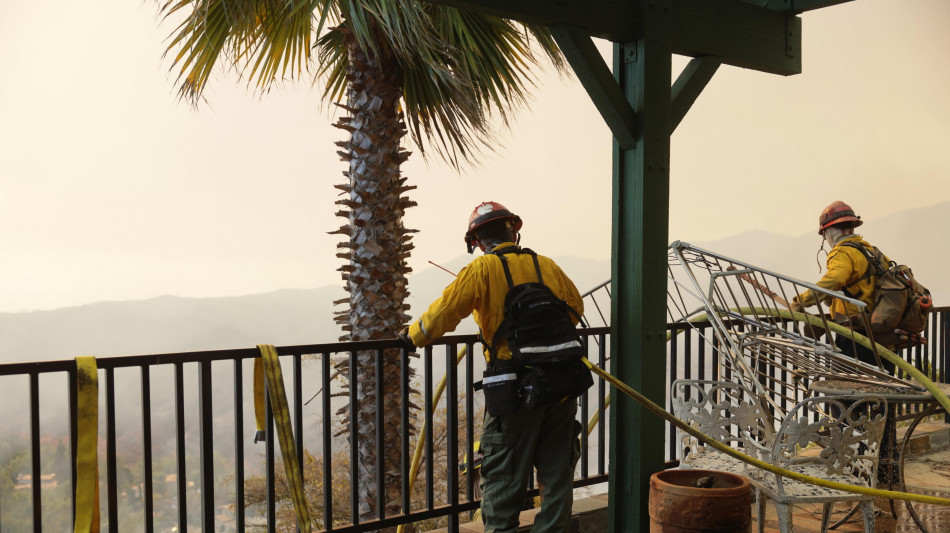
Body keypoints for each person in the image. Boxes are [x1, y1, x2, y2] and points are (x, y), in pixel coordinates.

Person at [398, 201, 584, 533]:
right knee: (557, 476)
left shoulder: (482, 270)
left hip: (514, 390)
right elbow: (575, 309)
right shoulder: (547, 266)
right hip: (560, 382)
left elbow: (444, 314)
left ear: (478, 242)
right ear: (514, 229)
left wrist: (412, 336)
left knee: (502, 479)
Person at [789, 201, 895, 374]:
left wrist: (801, 301)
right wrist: (833, 298)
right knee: (884, 393)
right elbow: (864, 286)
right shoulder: (873, 252)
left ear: (829, 232)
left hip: (856, 336)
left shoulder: (842, 252)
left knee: (844, 395)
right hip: (883, 336)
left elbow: (835, 278)